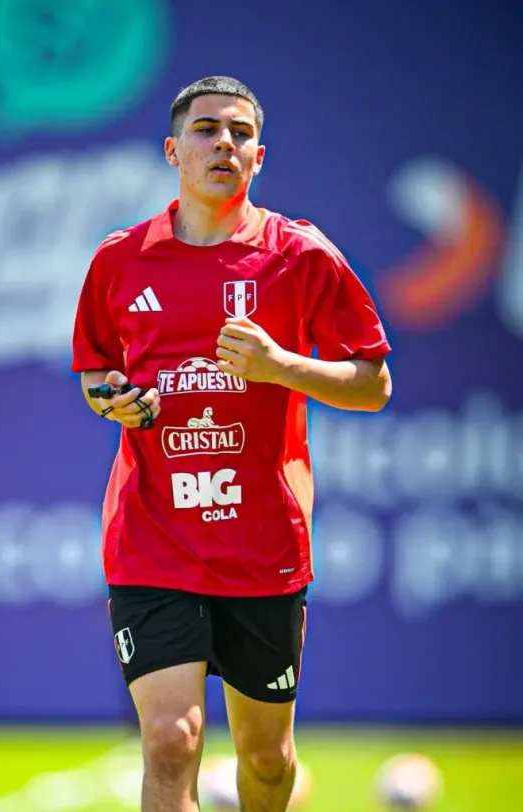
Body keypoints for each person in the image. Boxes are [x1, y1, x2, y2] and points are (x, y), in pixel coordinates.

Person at [71, 75, 392, 812]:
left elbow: (374, 384)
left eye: (241, 133)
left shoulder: (299, 254)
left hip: (262, 546)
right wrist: (115, 402)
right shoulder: (120, 259)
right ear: (172, 151)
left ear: (259, 156)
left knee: (267, 761)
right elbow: (94, 373)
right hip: (153, 538)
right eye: (208, 129)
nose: (225, 143)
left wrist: (282, 366)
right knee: (171, 740)